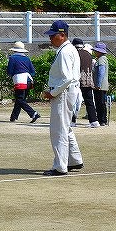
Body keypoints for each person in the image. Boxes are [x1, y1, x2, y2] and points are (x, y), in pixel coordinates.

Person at [41, 20, 83, 176]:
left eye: (53, 35)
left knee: (58, 130)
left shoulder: (65, 52)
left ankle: (60, 166)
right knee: (66, 128)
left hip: (63, 93)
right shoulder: (69, 49)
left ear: (62, 35)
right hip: (69, 92)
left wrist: (52, 93)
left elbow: (66, 78)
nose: (50, 39)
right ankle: (74, 159)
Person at [6, 41, 40, 123]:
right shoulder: (27, 58)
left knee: (20, 100)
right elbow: (33, 72)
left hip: (20, 81)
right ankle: (13, 117)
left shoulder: (12, 58)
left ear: (14, 50)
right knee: (20, 99)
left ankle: (33, 113)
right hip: (28, 80)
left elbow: (9, 71)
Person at [71, 38, 99, 128]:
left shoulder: (74, 54)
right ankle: (94, 121)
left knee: (74, 102)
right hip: (88, 80)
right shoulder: (88, 54)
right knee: (89, 101)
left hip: (77, 80)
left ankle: (72, 121)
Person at [92, 42, 110, 127]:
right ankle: (103, 120)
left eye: (96, 51)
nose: (95, 52)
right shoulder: (103, 58)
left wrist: (98, 84)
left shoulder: (101, 59)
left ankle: (101, 120)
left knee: (100, 103)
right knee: (101, 103)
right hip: (103, 85)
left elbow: (101, 73)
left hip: (100, 86)